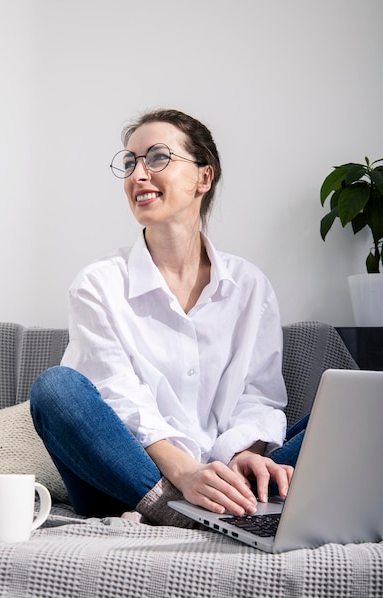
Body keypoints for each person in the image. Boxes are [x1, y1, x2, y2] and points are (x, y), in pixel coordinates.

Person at [30, 109, 307, 526]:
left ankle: (233, 502)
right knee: (54, 389)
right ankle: (184, 513)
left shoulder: (249, 286)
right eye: (130, 162)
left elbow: (260, 397)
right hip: (129, 478)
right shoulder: (98, 284)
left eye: (157, 158)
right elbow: (117, 397)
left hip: (228, 479)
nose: (138, 175)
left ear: (203, 178)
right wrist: (184, 473)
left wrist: (246, 459)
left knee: (356, 413)